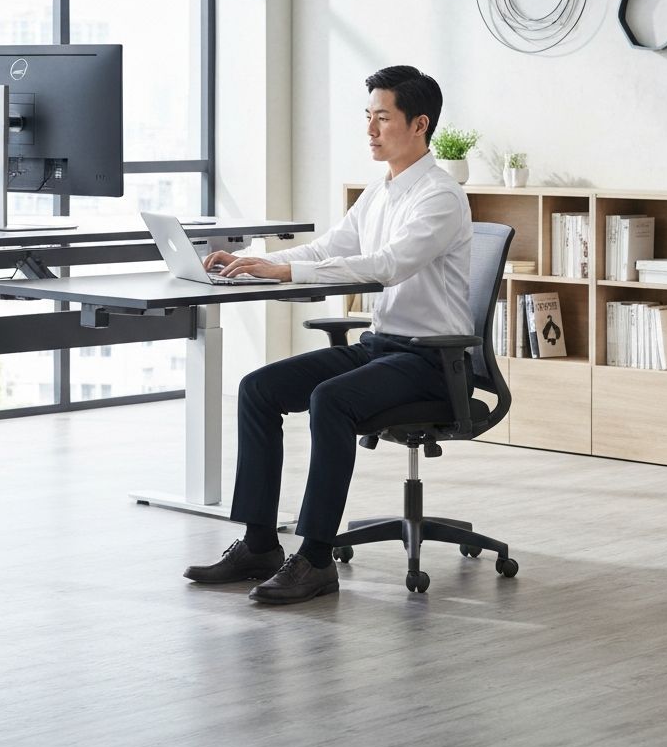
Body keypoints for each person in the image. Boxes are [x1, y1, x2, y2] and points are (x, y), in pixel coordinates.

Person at [184, 66, 473, 604]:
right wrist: (256, 262)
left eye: (382, 118)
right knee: (258, 389)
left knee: (329, 401)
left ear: (419, 124)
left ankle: (316, 558)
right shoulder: (381, 191)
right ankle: (260, 543)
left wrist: (284, 274)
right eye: (367, 117)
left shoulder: (439, 196)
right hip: (382, 347)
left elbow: (388, 265)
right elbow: (329, 248)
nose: (370, 130)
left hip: (432, 361)